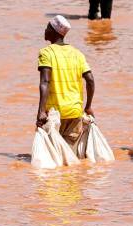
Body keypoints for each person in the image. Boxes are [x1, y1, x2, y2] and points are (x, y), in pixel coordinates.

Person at [36, 15, 95, 146]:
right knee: (70, 154)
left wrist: (41, 111)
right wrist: (88, 106)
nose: (45, 30)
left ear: (53, 31)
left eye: (47, 27)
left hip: (54, 114)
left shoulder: (46, 53)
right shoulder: (77, 54)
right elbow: (90, 79)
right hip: (75, 112)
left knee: (53, 156)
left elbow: (45, 82)